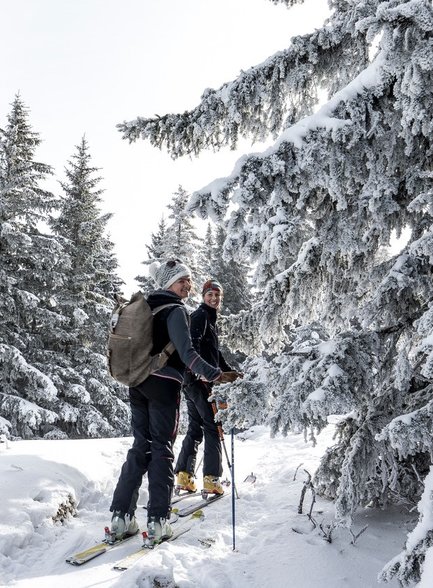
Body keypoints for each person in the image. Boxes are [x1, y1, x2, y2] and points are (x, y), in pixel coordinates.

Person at [109, 261, 234, 546]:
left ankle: (120, 517)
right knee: (162, 449)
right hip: (164, 388)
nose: (187, 286)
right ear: (169, 283)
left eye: (189, 281)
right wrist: (216, 374)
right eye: (182, 281)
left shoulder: (146, 307)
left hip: (138, 383)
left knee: (140, 446)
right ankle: (158, 521)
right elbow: (188, 353)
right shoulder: (176, 310)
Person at [175, 279, 241, 496]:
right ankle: (212, 479)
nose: (213, 299)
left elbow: (215, 355)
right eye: (209, 295)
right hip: (197, 380)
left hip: (193, 381)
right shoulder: (201, 316)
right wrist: (201, 372)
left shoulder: (210, 320)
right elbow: (190, 346)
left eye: (217, 296)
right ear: (203, 297)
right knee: (213, 426)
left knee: (196, 427)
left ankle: (184, 476)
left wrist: (231, 373)